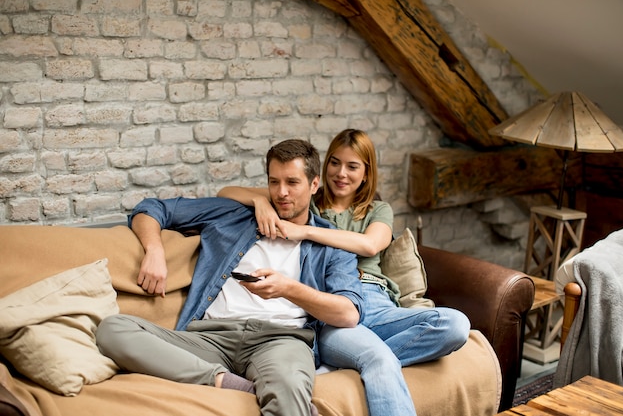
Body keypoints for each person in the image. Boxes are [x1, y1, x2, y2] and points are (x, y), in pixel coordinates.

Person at [96, 139, 365, 416]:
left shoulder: (330, 243)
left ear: (314, 185)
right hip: (210, 337)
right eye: (274, 182)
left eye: (292, 183)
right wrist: (154, 250)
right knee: (112, 329)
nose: (281, 193)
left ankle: (265, 389)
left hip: (280, 341)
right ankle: (229, 383)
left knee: (288, 387)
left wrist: (288, 289)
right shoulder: (233, 215)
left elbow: (348, 313)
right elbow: (153, 208)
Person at [218, 129, 471, 416]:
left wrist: (304, 231)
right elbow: (226, 193)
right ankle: (367, 358)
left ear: (366, 172)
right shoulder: (309, 197)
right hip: (331, 310)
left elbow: (369, 244)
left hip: (376, 303)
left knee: (455, 324)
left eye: (353, 166)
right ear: (322, 171)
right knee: (378, 359)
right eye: (335, 163)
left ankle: (348, 362)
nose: (341, 173)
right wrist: (261, 202)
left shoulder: (377, 210)